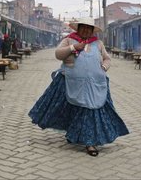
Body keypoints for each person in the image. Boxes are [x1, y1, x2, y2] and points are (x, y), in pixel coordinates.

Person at [28, 17, 129, 157]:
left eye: (89, 28)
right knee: (72, 109)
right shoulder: (69, 40)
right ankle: (74, 133)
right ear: (78, 28)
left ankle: (90, 142)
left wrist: (104, 68)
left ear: (92, 30)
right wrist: (73, 47)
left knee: (90, 109)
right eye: (84, 27)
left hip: (94, 85)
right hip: (70, 82)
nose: (86, 30)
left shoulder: (98, 43)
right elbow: (58, 54)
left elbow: (107, 58)